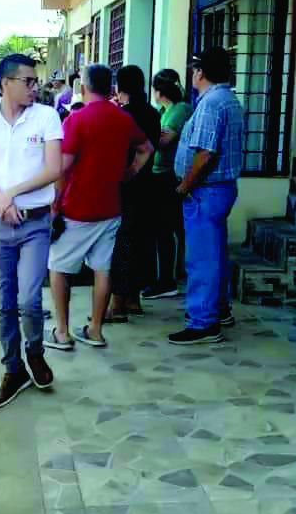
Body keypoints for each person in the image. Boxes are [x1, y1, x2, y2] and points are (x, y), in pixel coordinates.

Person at [0, 53, 63, 409]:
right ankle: (13, 369)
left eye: (35, 81)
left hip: (35, 221)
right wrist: (1, 200)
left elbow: (53, 168)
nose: (34, 87)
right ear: (4, 84)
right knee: (4, 302)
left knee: (28, 298)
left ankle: (35, 351)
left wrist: (10, 194)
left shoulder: (47, 116)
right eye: (27, 81)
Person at [46, 64, 153, 349]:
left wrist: (55, 204)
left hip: (76, 208)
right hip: (110, 206)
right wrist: (128, 173)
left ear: (84, 87)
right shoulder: (122, 119)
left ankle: (62, 331)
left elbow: (62, 169)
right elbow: (147, 149)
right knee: (102, 269)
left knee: (58, 267)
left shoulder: (76, 120)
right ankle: (95, 329)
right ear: (112, 88)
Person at [168, 48, 245, 345]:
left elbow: (205, 154)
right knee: (214, 254)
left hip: (206, 190)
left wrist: (184, 186)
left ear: (200, 72)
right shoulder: (228, 99)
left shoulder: (212, 103)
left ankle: (203, 322)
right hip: (219, 189)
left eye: (193, 70)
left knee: (201, 258)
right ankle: (219, 309)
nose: (191, 75)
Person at [105, 65, 162, 322]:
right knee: (142, 241)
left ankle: (117, 301)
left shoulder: (121, 115)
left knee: (122, 242)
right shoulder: (152, 113)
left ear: (119, 86)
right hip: (148, 185)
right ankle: (134, 299)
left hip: (126, 185)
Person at [142, 69, 193, 300]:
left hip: (169, 175)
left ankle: (167, 280)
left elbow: (164, 140)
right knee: (161, 228)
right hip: (158, 173)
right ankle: (167, 276)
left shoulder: (180, 110)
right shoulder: (165, 111)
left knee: (165, 228)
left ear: (159, 91)